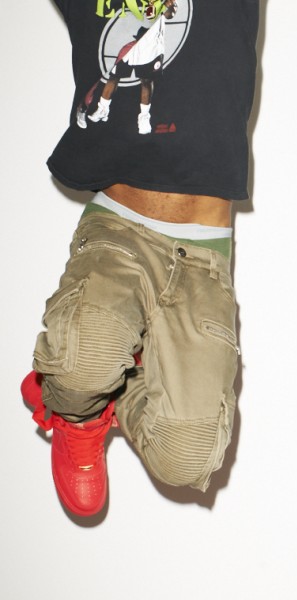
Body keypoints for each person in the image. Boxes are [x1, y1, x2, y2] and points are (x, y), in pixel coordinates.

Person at [21, 0, 260, 518]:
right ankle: (78, 410)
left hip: (203, 259)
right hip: (120, 228)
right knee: (84, 364)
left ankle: (107, 377)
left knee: (187, 457)